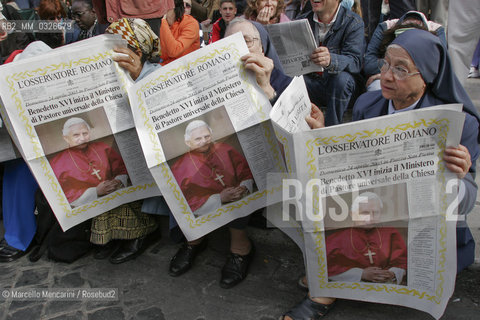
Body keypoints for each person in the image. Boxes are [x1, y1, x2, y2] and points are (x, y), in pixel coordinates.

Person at [281, 28, 480, 320]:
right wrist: (324, 137)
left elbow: (465, 204)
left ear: (427, 77)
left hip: (422, 218)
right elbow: (352, 168)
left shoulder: (459, 124)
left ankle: (334, 284)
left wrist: (458, 179)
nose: (386, 76)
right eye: (385, 64)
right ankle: (329, 283)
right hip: (373, 209)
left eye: (401, 70)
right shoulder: (367, 105)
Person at [167, 17, 290, 289]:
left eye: (247, 40)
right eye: (230, 41)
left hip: (261, 155)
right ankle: (194, 239)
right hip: (207, 143)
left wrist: (267, 88)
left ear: (263, 46)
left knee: (235, 169)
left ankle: (240, 246)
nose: (239, 47)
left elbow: (291, 133)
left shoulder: (281, 77)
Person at [299, 0, 365, 126]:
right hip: (313, 83)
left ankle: (331, 132)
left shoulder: (353, 23)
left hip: (339, 87)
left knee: (341, 79)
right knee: (290, 80)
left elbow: (355, 62)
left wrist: (331, 60)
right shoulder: (302, 21)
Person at [171, 120, 254, 216]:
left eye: (207, 136)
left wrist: (243, 187)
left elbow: (246, 171)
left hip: (242, 200)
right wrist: (219, 198)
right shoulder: (180, 167)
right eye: (198, 139)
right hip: (213, 214)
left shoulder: (225, 148)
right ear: (188, 142)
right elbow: (186, 201)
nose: (204, 141)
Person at [326, 192, 407, 284]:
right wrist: (361, 274)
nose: (370, 218)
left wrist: (392, 273)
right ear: (352, 214)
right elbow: (326, 268)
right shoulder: (336, 239)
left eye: (376, 213)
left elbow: (402, 262)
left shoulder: (391, 233)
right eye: (365, 213)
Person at [50, 117, 129, 207]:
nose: (82, 138)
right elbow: (63, 194)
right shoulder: (57, 163)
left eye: (85, 133)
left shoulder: (103, 147)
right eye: (76, 135)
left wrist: (118, 181)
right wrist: (95, 192)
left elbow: (122, 168)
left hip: (119, 198)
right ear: (66, 138)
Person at [364, 10, 445, 91]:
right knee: (376, 87)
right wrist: (390, 70)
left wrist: (392, 68)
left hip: (420, 80)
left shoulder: (436, 30)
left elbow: (439, 67)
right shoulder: (386, 27)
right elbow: (369, 64)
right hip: (387, 77)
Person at [160, 0, 200, 65]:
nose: (163, 14)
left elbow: (174, 51)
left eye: (165, 10)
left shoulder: (190, 23)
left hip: (186, 68)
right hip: (164, 67)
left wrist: (163, 21)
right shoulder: (163, 24)